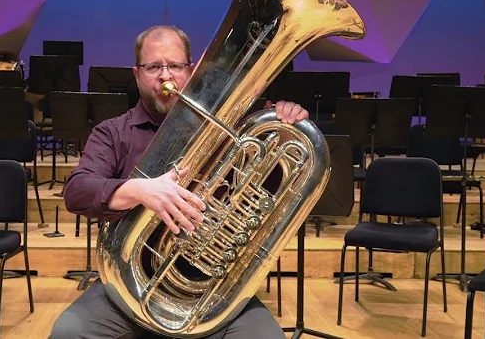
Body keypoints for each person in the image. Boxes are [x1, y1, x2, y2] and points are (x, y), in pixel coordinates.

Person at [49, 25, 309, 339]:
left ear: (191, 70)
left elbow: (276, 187)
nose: (164, 75)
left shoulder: (235, 129)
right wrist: (138, 190)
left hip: (215, 291)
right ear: (137, 74)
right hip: (130, 286)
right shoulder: (113, 133)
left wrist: (285, 127)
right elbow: (77, 191)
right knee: (68, 332)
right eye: (153, 66)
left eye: (174, 65)